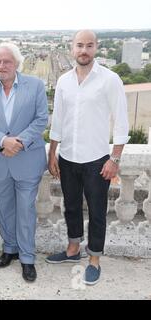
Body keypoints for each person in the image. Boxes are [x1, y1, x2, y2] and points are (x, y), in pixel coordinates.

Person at [46, 30, 129, 285]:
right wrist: (52, 152)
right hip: (68, 157)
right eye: (79, 45)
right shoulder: (64, 81)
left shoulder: (110, 79)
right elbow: (58, 120)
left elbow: (121, 123)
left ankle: (94, 259)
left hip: (96, 159)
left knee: (97, 212)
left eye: (89, 46)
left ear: (96, 48)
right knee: (70, 206)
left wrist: (114, 159)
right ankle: (73, 250)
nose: (84, 50)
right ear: (72, 48)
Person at [0, 43, 48, 282]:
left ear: (17, 63)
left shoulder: (35, 85)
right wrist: (3, 141)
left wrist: (18, 142)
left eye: (6, 61)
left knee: (26, 210)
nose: (1, 66)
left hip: (26, 158)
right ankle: (10, 249)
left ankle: (27, 258)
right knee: (4, 209)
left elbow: (41, 120)